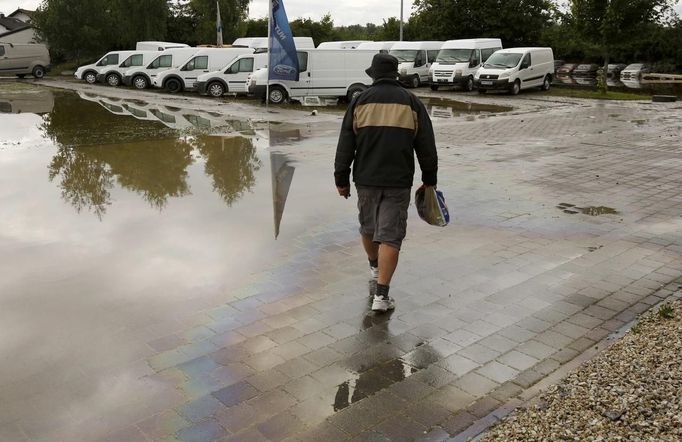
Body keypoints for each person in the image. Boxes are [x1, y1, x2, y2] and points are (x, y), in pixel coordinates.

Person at [334, 53, 438, 312]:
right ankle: (382, 296)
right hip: (398, 180)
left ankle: (373, 267)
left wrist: (341, 178)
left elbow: (346, 143)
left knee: (369, 227)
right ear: (395, 75)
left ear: (374, 74)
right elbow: (426, 146)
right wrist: (429, 180)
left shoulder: (359, 101)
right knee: (390, 235)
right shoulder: (412, 102)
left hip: (366, 179)